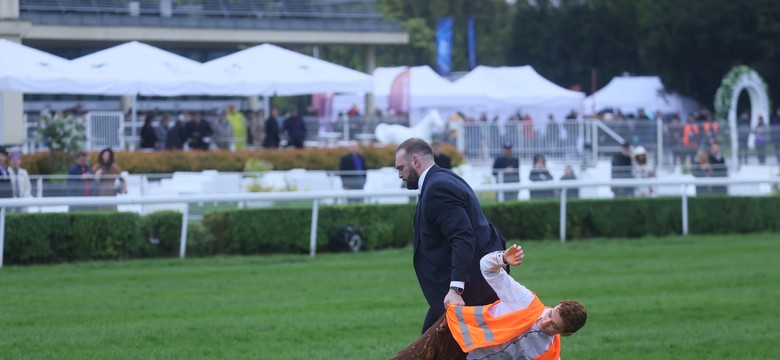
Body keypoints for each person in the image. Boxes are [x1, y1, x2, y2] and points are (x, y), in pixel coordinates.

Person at [393, 245, 587, 359]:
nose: (545, 321)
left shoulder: (549, 352)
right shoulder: (525, 300)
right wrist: (502, 258)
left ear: (566, 334)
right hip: (453, 334)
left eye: (554, 326)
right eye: (550, 314)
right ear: (555, 307)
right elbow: (486, 268)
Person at [394, 138, 507, 334]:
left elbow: (462, 237)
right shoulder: (443, 178)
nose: (400, 175)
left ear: (415, 161)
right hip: (469, 286)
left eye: (400, 168)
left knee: (430, 351)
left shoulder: (437, 187)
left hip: (469, 291)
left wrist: (456, 289)